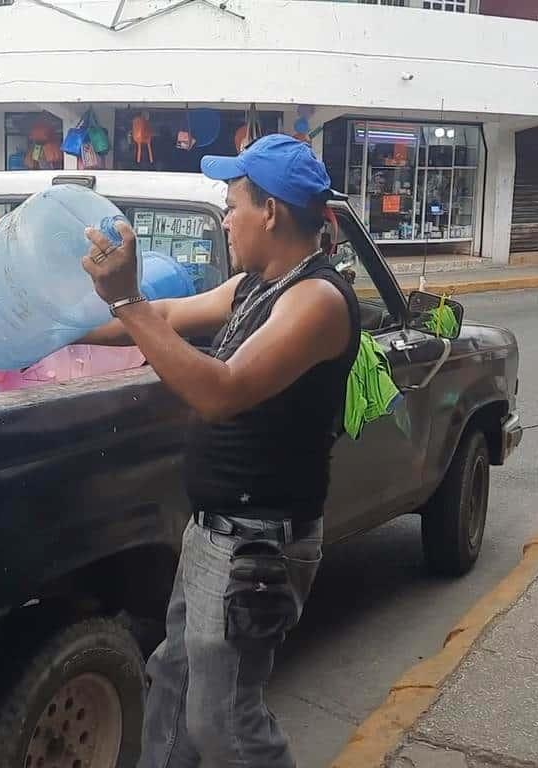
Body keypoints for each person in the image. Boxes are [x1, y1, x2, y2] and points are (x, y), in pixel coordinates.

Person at [80, 133, 361, 767]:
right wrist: (48, 327)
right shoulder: (252, 288)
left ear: (272, 212)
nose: (227, 217)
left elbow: (222, 391)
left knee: (223, 722)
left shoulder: (315, 301)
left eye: (234, 203)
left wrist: (126, 300)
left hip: (256, 546)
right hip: (214, 536)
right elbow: (166, 314)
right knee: (172, 689)